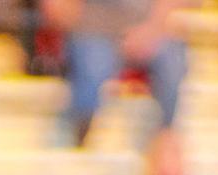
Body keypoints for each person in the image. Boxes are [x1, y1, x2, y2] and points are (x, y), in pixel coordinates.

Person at [51, 0, 184, 144]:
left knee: (172, 63)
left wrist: (151, 30)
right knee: (92, 66)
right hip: (92, 29)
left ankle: (166, 139)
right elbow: (59, 9)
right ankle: (81, 135)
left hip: (146, 26)